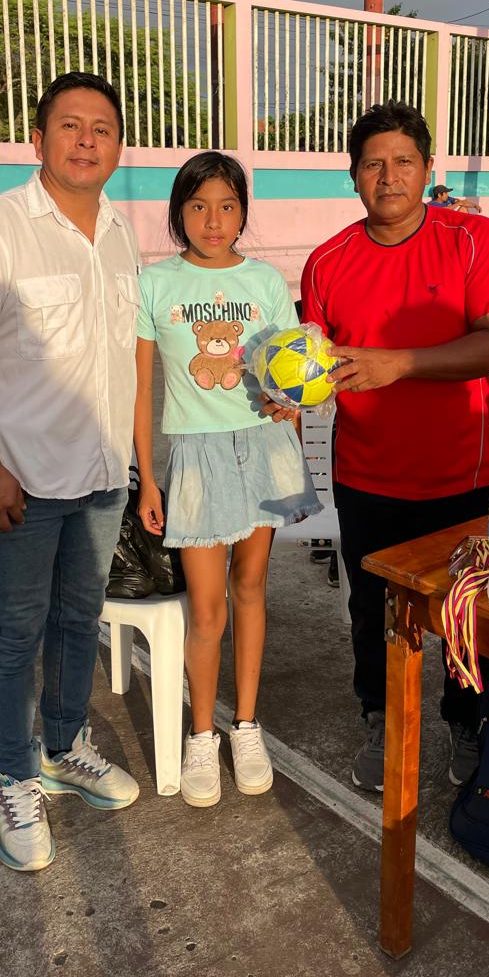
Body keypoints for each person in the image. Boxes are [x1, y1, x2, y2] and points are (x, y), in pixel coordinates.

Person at [0, 71, 141, 872]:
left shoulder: (120, 233)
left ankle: (62, 747)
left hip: (102, 475)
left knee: (79, 621)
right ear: (38, 138)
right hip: (20, 478)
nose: (87, 139)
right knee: (16, 635)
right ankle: (15, 778)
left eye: (102, 128)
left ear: (117, 146)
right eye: (70, 125)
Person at [299, 100, 489, 792]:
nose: (388, 176)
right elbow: (310, 364)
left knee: (465, 612)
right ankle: (381, 716)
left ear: (428, 168)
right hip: (366, 476)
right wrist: (284, 389)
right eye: (373, 164)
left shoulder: (474, 239)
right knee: (372, 612)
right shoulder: (327, 261)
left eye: (403, 161)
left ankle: (466, 720)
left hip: (462, 475)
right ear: (353, 175)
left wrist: (398, 363)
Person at [133, 154, 321, 808]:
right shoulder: (155, 284)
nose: (213, 221)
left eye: (227, 206)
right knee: (207, 608)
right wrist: (149, 479)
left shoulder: (265, 280)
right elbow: (140, 389)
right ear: (178, 212)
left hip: (262, 449)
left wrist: (293, 402)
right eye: (198, 206)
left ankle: (245, 726)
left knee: (250, 588)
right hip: (196, 458)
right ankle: (201, 736)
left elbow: (293, 370)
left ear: (243, 212)